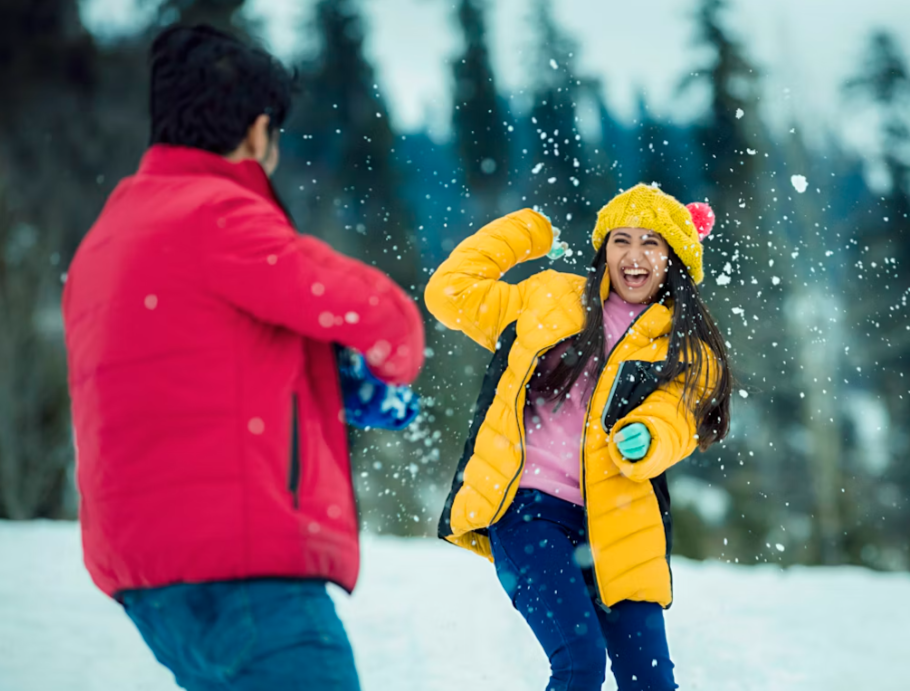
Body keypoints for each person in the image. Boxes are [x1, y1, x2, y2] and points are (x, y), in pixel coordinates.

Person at [62, 24, 425, 690]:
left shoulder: (105, 238)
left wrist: (316, 367)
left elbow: (196, 365)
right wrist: (372, 364)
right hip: (244, 571)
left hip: (152, 584)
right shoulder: (220, 217)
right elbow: (387, 321)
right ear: (258, 132)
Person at [425, 183, 732, 691]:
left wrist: (649, 434)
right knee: (579, 664)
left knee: (649, 683)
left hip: (621, 524)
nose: (634, 257)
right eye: (621, 240)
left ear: (675, 256)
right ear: (603, 249)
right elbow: (449, 292)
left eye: (651, 243)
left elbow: (678, 418)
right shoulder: (549, 296)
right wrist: (528, 231)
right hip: (527, 510)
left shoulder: (687, 348)